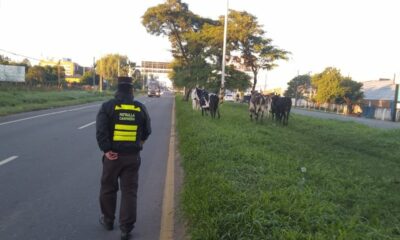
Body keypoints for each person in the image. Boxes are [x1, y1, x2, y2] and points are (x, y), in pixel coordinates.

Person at [96, 76, 151, 240]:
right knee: (129, 192)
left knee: (108, 188)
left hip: (112, 157)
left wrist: (106, 150)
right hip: (132, 158)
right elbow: (147, 131)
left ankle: (108, 220)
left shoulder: (107, 107)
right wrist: (138, 145)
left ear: (117, 89)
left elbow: (101, 131)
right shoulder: (140, 108)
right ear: (132, 90)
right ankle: (126, 229)